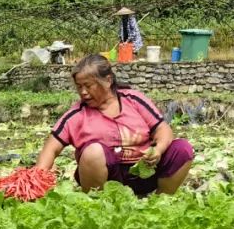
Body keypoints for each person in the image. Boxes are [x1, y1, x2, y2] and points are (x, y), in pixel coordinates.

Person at [34, 54, 194, 196]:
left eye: (88, 86)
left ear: (108, 80)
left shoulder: (133, 100)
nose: (83, 92)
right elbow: (51, 148)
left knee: (182, 149)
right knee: (93, 152)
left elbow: (162, 129)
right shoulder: (77, 115)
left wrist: (158, 150)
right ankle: (98, 205)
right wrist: (35, 181)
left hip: (145, 171)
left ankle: (160, 202)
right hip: (108, 177)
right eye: (79, 87)